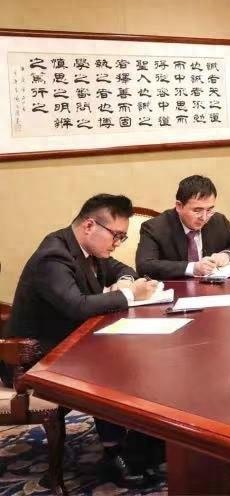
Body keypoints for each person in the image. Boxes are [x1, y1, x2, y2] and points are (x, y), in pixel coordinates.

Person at [2, 194, 162, 486]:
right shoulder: (54, 256)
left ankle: (144, 441)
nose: (117, 243)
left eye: (122, 237)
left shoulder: (88, 250)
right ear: (89, 226)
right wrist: (129, 294)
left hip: (67, 344)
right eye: (116, 235)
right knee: (108, 363)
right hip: (29, 357)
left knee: (131, 352)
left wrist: (126, 281)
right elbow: (76, 306)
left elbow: (123, 269)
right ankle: (114, 453)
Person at [136, 175, 230, 279]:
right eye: (197, 210)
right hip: (176, 292)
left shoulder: (218, 221)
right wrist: (192, 268)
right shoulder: (155, 228)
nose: (204, 218)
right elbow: (144, 266)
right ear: (179, 206)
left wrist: (228, 255)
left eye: (209, 210)